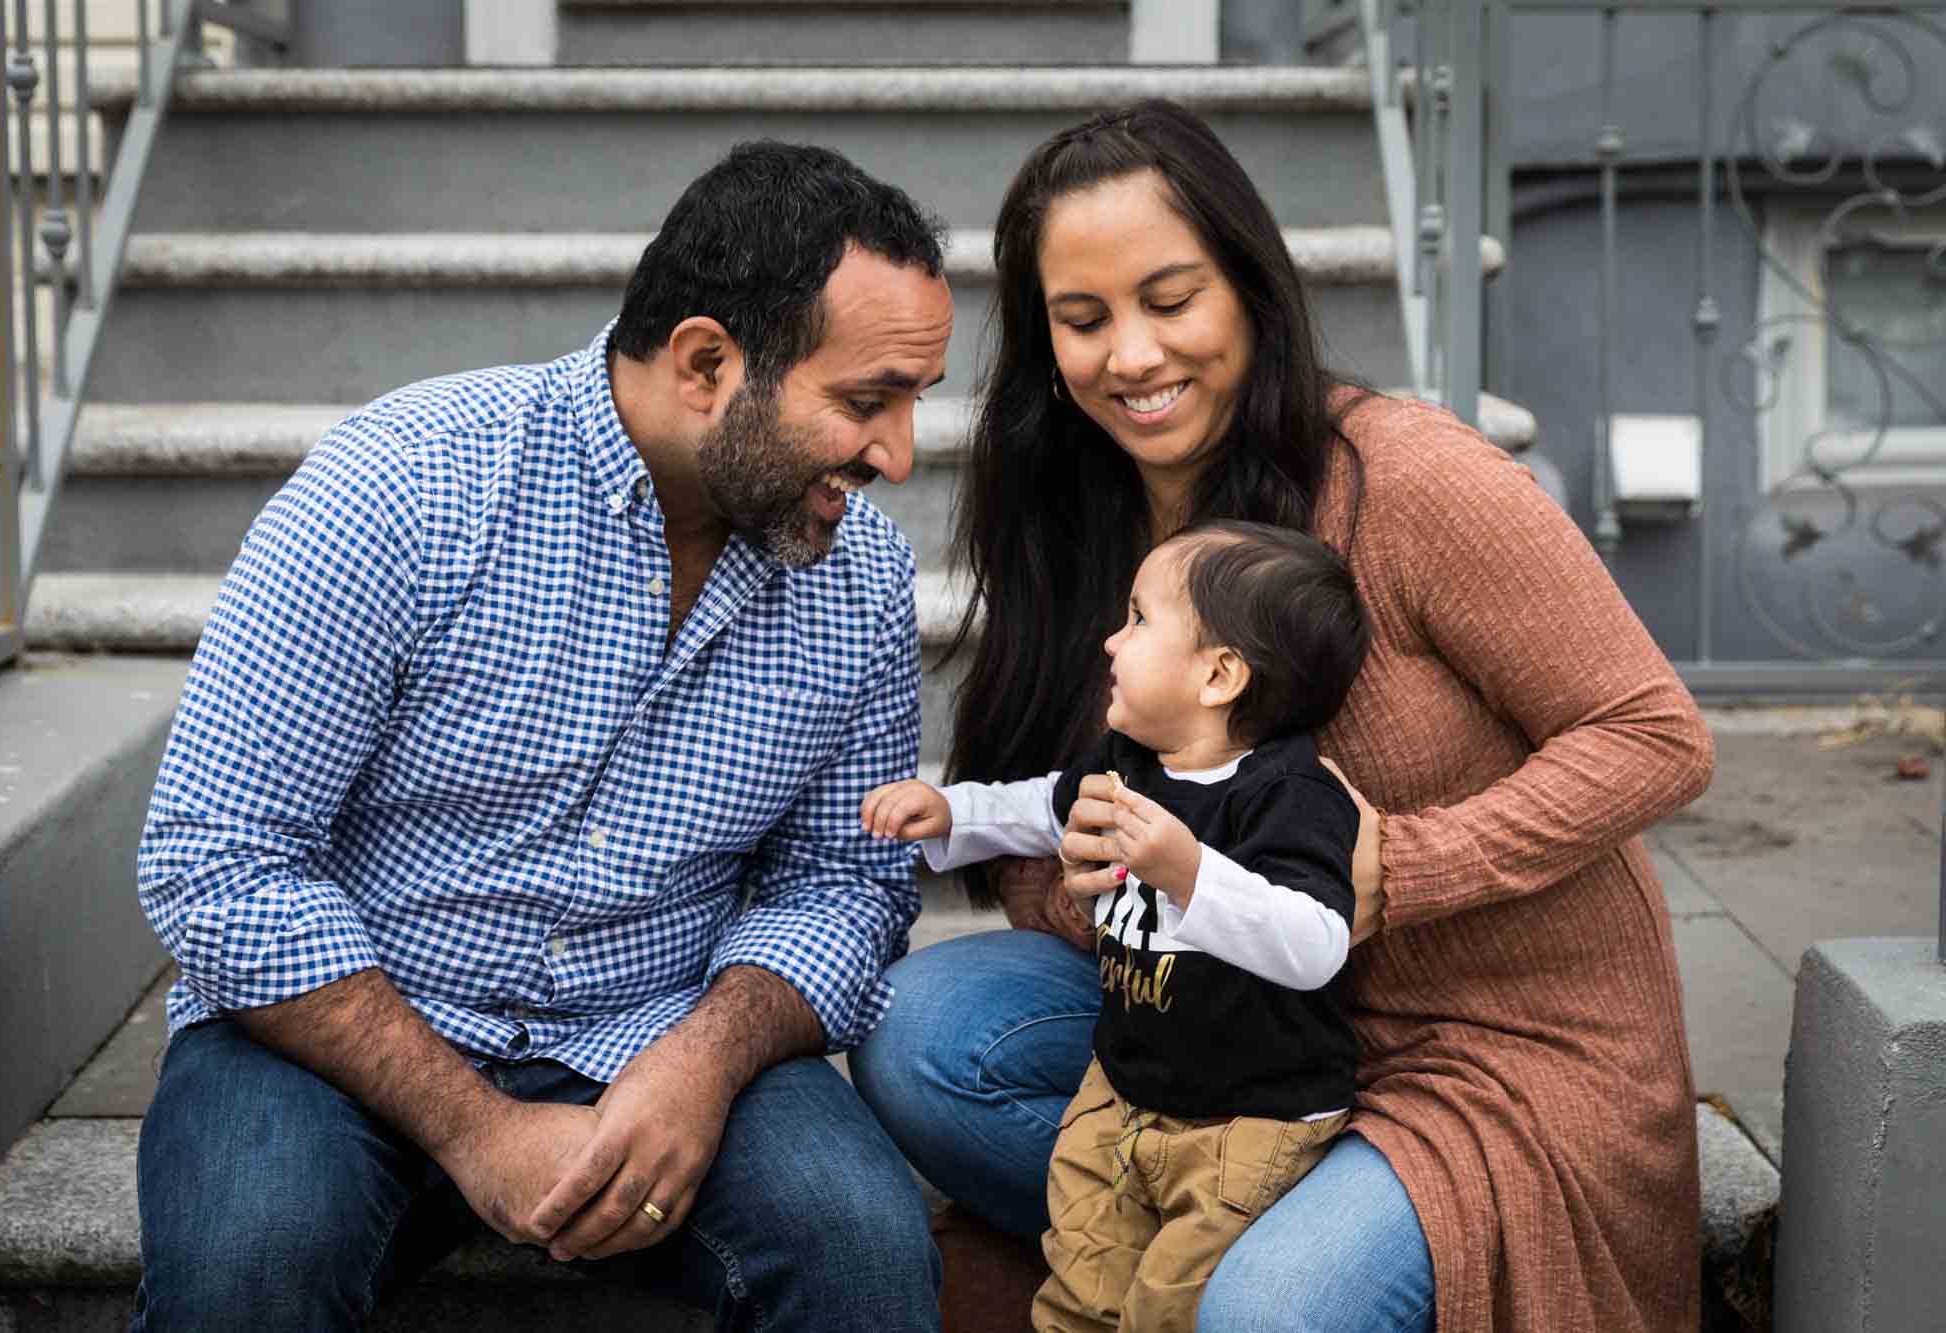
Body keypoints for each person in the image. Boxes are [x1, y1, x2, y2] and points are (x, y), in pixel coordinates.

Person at [849, 100, 1716, 1333]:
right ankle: (1188, 1234)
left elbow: (1653, 734)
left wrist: (1401, 868)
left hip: (1497, 1043)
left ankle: (1237, 1263)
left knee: (1270, 1308)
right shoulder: (1073, 519)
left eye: (1170, 299)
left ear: (1248, 289)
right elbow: (1042, 819)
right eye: (1083, 320)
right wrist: (1086, 884)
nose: (1132, 356)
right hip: (1234, 1044)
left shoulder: (1403, 479)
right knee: (919, 1037)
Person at [131, 141, 953, 1332]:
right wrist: (479, 1128)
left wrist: (704, 1058)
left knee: (865, 1256)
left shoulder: (856, 580)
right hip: (341, 1030)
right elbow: (217, 859)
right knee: (250, 1269)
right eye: (865, 400)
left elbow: (844, 883)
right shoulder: (403, 484)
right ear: (706, 364)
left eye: (912, 402)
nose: (898, 455)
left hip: (656, 1027)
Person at [862, 521, 1370, 1333]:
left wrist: (1189, 870)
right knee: (1081, 1281)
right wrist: (955, 811)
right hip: (1124, 1092)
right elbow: (1046, 803)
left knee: (1172, 1308)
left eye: (1137, 620)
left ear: (1219, 674)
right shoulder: (1132, 757)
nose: (1109, 640)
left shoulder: (1290, 795)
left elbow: (1315, 942)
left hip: (1245, 1122)